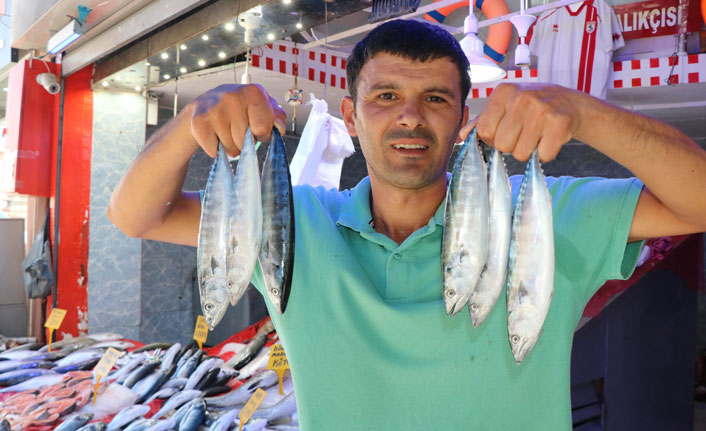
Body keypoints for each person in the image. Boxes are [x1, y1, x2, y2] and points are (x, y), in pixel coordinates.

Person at [108, 19, 706, 430]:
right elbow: (134, 215)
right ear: (350, 114)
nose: (411, 118)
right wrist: (191, 120)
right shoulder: (291, 220)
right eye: (385, 96)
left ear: (464, 115)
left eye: (436, 100)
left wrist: (584, 112)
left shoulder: (546, 212)